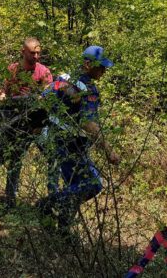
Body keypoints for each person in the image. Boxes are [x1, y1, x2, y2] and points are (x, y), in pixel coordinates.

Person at [36, 45, 120, 232]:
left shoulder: (64, 77)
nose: (103, 71)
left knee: (74, 187)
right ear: (88, 64)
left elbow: (43, 98)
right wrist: (108, 150)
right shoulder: (88, 88)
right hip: (71, 144)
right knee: (92, 184)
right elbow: (88, 124)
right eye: (100, 66)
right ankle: (46, 204)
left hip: (54, 138)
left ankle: (63, 231)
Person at [1, 37, 53, 208]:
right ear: (23, 51)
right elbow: (5, 94)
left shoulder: (44, 71)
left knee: (53, 158)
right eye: (32, 53)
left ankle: (54, 197)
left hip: (38, 124)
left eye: (38, 52)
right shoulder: (12, 70)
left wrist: (39, 99)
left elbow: (49, 97)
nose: (36, 56)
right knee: (15, 160)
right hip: (18, 124)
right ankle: (10, 200)